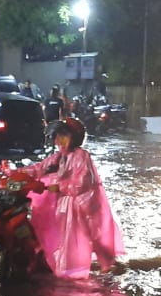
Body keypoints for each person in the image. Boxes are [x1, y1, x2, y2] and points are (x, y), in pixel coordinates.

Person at [23, 118, 126, 278]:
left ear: (74, 138)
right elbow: (39, 168)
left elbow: (83, 181)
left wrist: (60, 187)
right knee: (64, 238)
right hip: (65, 205)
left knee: (93, 237)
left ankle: (106, 266)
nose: (59, 140)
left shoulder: (81, 156)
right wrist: (15, 174)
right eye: (58, 136)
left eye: (63, 136)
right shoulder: (59, 157)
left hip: (83, 206)